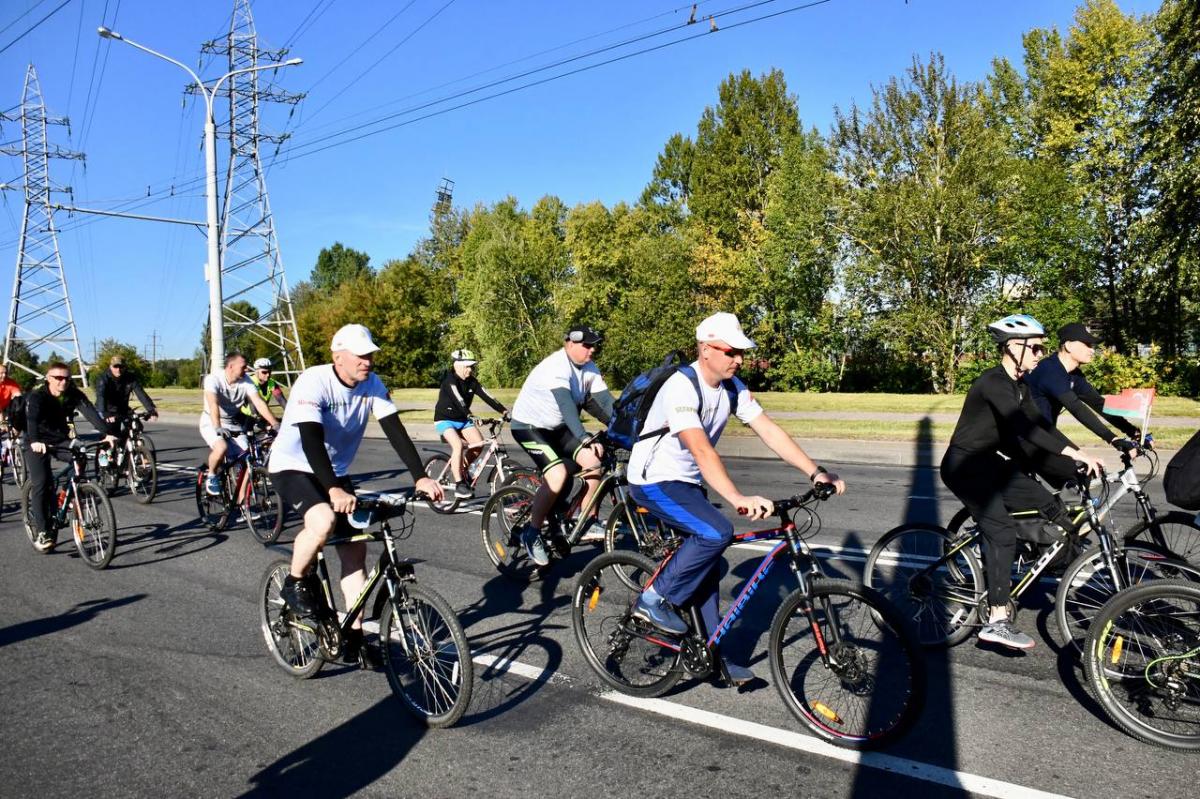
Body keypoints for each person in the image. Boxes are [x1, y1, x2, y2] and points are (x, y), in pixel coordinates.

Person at [625, 312, 845, 684]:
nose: (738, 359)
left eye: (741, 352)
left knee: (706, 566)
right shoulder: (682, 386)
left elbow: (768, 430)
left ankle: (713, 654)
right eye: (730, 351)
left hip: (687, 482)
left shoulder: (732, 387)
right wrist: (736, 497)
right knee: (715, 533)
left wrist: (815, 471)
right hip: (653, 480)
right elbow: (700, 449)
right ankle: (653, 601)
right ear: (706, 348)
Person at [269, 324, 444, 668]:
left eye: (370, 354)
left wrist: (420, 477)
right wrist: (333, 488)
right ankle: (294, 581)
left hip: (335, 471)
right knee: (322, 520)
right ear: (339, 357)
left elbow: (395, 430)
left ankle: (355, 635)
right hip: (293, 465)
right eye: (361, 355)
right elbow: (310, 439)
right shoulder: (313, 381)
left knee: (355, 552)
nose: (368, 361)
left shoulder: (372, 384)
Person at [940, 314, 1105, 651]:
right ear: (1014, 347)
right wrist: (1073, 453)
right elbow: (1022, 427)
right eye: (1036, 348)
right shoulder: (992, 383)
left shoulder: (1021, 386)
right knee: (999, 529)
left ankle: (1043, 558)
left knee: (1051, 505)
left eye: (1042, 348)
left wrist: (1078, 453)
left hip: (994, 465)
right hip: (965, 466)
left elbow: (1040, 426)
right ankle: (997, 619)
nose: (1040, 355)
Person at [510, 326, 615, 563]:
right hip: (530, 427)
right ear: (569, 343)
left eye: (594, 345)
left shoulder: (589, 368)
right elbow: (568, 408)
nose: (592, 350)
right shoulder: (556, 366)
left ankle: (585, 522)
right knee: (557, 476)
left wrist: (631, 429)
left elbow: (607, 403)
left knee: (593, 463)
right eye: (587, 345)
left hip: (557, 428)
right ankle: (532, 532)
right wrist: (584, 436)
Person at [1023, 322, 1141, 487]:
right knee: (1078, 474)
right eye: (1087, 344)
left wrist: (1132, 431)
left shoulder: (1074, 374)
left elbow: (1099, 404)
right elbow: (1076, 408)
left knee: (1079, 479)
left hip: (1046, 437)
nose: (1092, 350)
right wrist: (1113, 439)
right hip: (1028, 439)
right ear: (1069, 346)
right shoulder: (1050, 371)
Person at [24, 362, 117, 551]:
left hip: (59, 439)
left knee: (80, 456)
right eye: (58, 378)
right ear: (48, 379)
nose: (63, 382)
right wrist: (34, 440)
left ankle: (69, 492)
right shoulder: (37, 396)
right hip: (36, 441)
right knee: (42, 482)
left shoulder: (73, 394)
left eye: (67, 378)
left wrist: (106, 433)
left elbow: (90, 411)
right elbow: (32, 419)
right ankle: (43, 532)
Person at [433, 349, 509, 498]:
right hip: (445, 419)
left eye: (472, 366)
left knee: (479, 444)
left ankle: (463, 470)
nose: (470, 369)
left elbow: (488, 397)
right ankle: (460, 484)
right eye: (467, 366)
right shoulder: (450, 381)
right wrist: (470, 415)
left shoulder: (472, 382)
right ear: (457, 366)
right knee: (458, 446)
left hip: (462, 420)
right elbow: (459, 401)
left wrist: (504, 411)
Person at [199, 353, 278, 495]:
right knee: (221, 447)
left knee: (249, 460)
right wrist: (217, 427)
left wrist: (275, 424)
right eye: (243, 366)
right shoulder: (213, 379)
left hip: (232, 421)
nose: (247, 369)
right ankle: (211, 475)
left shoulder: (246, 381)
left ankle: (243, 504)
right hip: (211, 420)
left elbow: (259, 403)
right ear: (231, 367)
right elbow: (213, 404)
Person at [94, 355, 158, 456]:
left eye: (121, 367)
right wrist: (105, 413)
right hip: (106, 409)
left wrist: (151, 410)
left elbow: (141, 393)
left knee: (136, 426)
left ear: (125, 367)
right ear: (110, 367)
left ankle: (132, 454)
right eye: (115, 367)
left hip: (122, 408)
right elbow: (101, 396)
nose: (118, 369)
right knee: (110, 432)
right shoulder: (103, 378)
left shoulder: (130, 378)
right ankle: (103, 456)